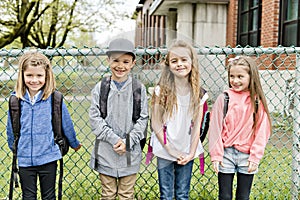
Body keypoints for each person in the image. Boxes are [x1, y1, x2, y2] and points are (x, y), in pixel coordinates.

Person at [6, 51, 82, 199]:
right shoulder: (15, 101)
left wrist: (74, 143)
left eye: (39, 76)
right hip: (25, 159)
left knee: (49, 196)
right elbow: (11, 130)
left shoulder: (55, 99)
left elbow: (66, 124)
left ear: (47, 76)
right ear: (22, 75)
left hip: (49, 157)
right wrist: (17, 148)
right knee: (28, 196)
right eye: (29, 75)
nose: (34, 80)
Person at [89, 38, 149, 199]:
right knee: (107, 194)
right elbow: (95, 118)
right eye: (115, 60)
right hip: (106, 151)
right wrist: (115, 140)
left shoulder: (139, 89)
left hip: (130, 153)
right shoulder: (100, 88)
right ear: (108, 60)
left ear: (133, 63)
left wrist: (127, 142)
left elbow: (143, 120)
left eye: (125, 61)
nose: (120, 66)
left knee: (126, 194)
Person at [150, 40, 208, 200]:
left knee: (183, 194)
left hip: (185, 148)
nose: (179, 64)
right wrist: (169, 149)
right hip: (165, 147)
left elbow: (197, 127)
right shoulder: (160, 91)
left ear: (192, 62)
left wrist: (191, 153)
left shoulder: (199, 94)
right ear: (168, 65)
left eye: (184, 60)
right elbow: (155, 123)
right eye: (174, 61)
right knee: (166, 194)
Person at [208, 56, 272, 200]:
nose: (235, 81)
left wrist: (255, 156)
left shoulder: (256, 100)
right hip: (226, 154)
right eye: (232, 76)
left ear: (251, 77)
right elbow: (215, 129)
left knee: (243, 196)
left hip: (247, 155)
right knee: (224, 196)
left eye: (240, 76)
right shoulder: (224, 98)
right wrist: (216, 155)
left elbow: (262, 131)